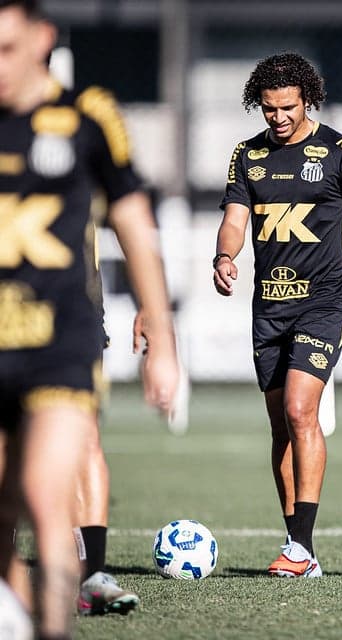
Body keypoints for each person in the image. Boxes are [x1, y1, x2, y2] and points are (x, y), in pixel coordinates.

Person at [0, 0, 179, 636]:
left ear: (42, 37)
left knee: (48, 501)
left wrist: (161, 331)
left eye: (8, 49)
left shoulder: (86, 116)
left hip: (61, 343)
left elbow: (133, 218)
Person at [214, 52, 342, 577]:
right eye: (269, 109)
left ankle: (299, 547)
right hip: (269, 307)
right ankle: (301, 547)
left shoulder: (340, 152)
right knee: (280, 428)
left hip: (324, 301)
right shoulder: (247, 157)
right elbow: (233, 220)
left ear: (308, 100)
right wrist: (225, 256)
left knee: (300, 410)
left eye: (288, 107)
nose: (278, 118)